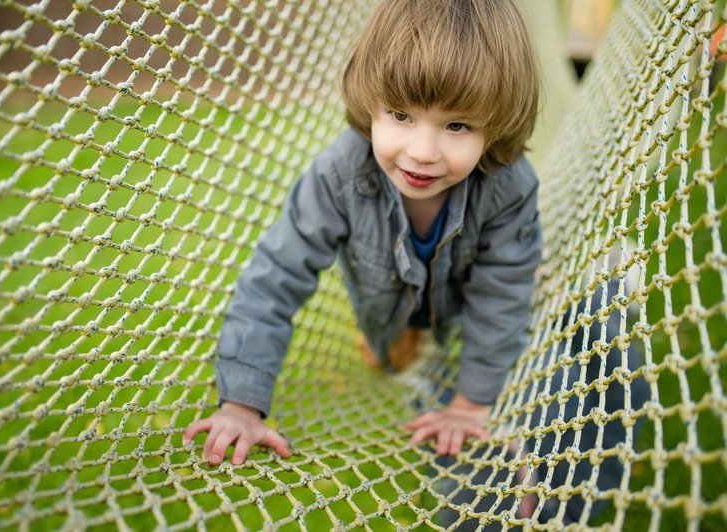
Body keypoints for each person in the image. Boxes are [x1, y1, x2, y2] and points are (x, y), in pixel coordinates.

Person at [182, 0, 542, 468]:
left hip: (462, 298)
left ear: (496, 124)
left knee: (484, 359)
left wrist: (469, 405)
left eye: (456, 125)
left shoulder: (508, 186)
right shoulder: (339, 174)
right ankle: (393, 342)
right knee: (390, 355)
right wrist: (241, 404)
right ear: (369, 102)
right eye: (400, 114)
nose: (423, 151)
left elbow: (502, 295)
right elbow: (274, 277)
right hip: (385, 300)